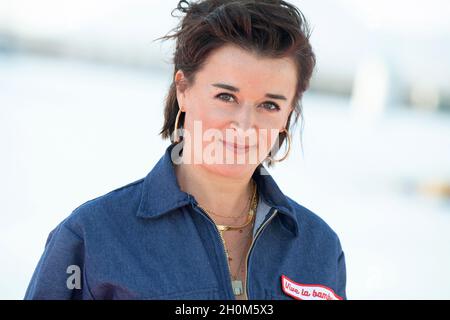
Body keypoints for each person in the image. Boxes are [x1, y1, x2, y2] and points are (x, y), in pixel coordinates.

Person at [25, 0, 346, 300]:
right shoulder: (93, 236)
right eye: (226, 97)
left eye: (269, 104)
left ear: (288, 114)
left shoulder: (319, 249)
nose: (245, 125)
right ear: (183, 89)